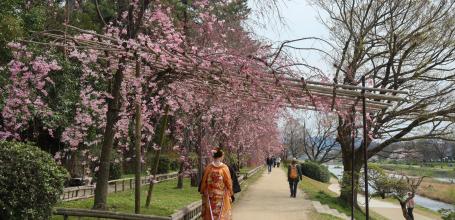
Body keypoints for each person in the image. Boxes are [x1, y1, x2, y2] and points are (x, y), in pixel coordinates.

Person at [200, 147, 233, 220]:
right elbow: (228, 181)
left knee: (210, 212)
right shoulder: (224, 168)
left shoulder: (208, 167)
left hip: (210, 194)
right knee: (221, 213)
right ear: (221, 156)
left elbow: (204, 181)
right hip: (221, 195)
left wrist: (202, 190)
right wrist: (230, 192)